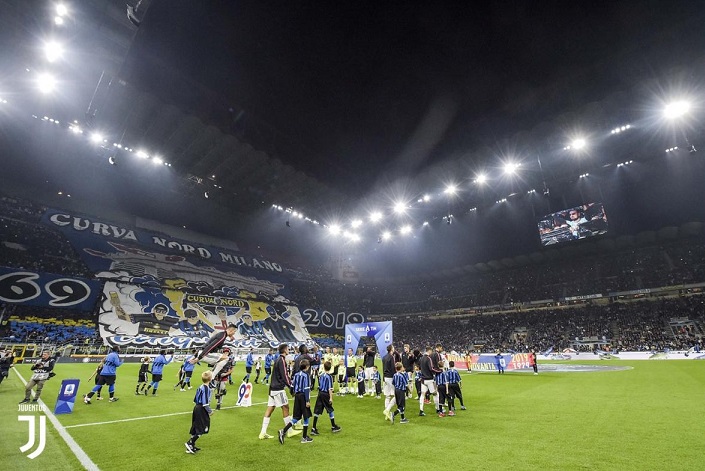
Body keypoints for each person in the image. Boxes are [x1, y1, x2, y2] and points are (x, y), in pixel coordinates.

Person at [259, 344, 301, 440]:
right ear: (284, 350)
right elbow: (285, 375)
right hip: (278, 389)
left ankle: (263, 432)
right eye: (287, 349)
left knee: (270, 409)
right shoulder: (282, 360)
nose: (288, 350)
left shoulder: (278, 359)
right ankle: (289, 431)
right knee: (285, 407)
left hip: (272, 388)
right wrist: (291, 386)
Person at [278, 359, 313, 444]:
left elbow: (292, 385)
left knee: (296, 417)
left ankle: (283, 431)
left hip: (297, 396)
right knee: (306, 416)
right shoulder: (306, 375)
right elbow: (307, 389)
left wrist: (292, 393)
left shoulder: (296, 375)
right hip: (303, 397)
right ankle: (304, 437)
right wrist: (307, 401)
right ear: (307, 367)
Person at [185, 370, 214, 454]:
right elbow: (205, 402)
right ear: (210, 378)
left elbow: (195, 399)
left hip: (197, 408)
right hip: (201, 409)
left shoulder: (201, 386)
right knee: (202, 427)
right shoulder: (206, 388)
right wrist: (210, 411)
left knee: (196, 426)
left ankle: (192, 446)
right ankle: (190, 443)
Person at [310, 361, 341, 435]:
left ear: (323, 367)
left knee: (317, 410)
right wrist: (331, 398)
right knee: (330, 409)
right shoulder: (329, 377)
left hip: (320, 393)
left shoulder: (321, 375)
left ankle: (313, 428)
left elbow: (320, 385)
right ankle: (333, 426)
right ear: (330, 368)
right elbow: (330, 388)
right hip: (326, 394)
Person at [418, 347, 440, 416]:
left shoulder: (421, 359)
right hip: (429, 380)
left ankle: (421, 410)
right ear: (429, 351)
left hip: (423, 380)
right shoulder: (428, 358)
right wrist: (439, 371)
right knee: (435, 394)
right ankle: (438, 409)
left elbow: (420, 368)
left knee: (422, 395)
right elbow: (431, 368)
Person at [381, 345, 397, 421]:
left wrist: (384, 377)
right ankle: (387, 410)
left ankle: (387, 414)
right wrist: (396, 376)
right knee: (396, 395)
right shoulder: (391, 357)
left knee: (387, 396)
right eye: (393, 348)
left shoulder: (384, 357)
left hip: (386, 377)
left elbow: (383, 367)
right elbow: (393, 368)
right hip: (391, 377)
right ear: (391, 349)